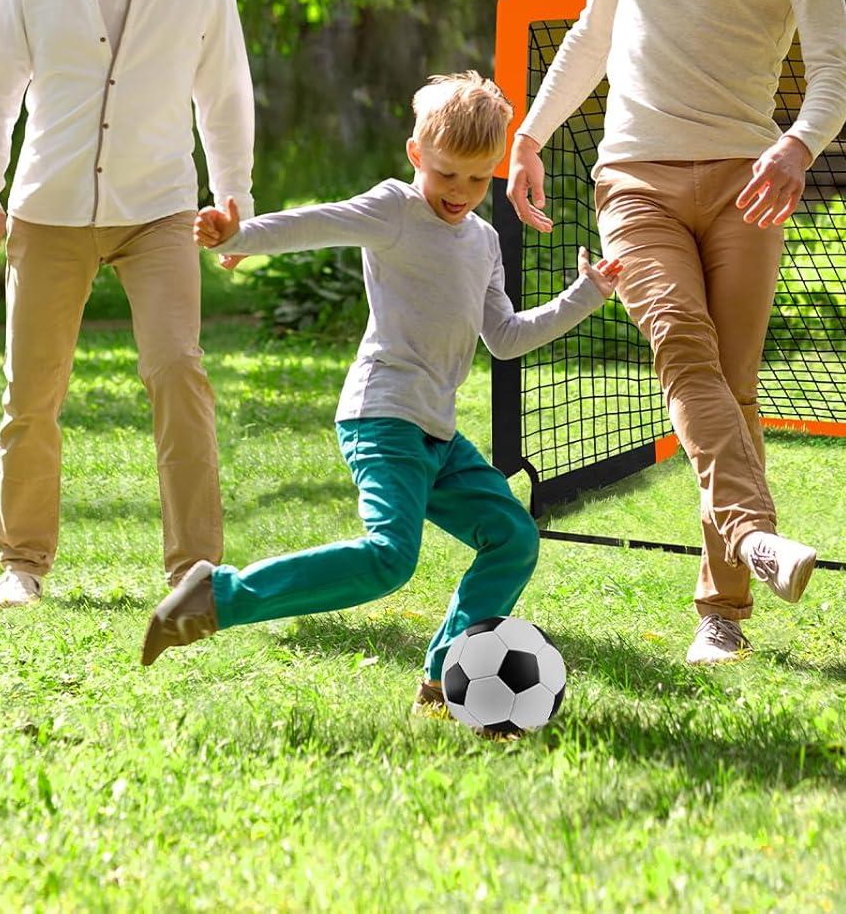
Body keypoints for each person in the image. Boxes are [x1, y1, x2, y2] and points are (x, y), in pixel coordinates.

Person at [507, 0, 846, 665]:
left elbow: (835, 80)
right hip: (635, 180)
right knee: (683, 349)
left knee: (731, 394)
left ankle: (722, 613)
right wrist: (533, 136)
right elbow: (592, 35)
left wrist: (796, 145)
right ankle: (755, 538)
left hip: (746, 186)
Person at [141, 72, 622, 712]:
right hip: (382, 418)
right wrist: (238, 237)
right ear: (417, 154)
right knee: (389, 560)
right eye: (448, 174)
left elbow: (505, 337)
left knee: (512, 538)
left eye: (479, 179)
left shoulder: (482, 241)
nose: (461, 193)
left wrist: (585, 295)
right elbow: (318, 224)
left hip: (438, 436)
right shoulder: (395, 209)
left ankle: (443, 676)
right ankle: (217, 596)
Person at [0, 0, 254, 609]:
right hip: (49, 206)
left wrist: (235, 199)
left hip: (158, 204)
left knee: (178, 373)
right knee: (31, 393)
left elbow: (224, 92)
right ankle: (22, 565)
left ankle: (194, 570)